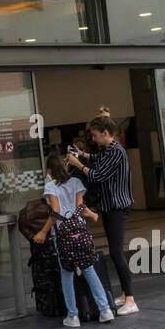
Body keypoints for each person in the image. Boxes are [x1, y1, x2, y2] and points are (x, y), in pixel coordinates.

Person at [66, 116, 138, 315]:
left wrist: (77, 163)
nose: (94, 139)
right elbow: (98, 160)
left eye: (96, 136)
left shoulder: (116, 151)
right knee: (115, 252)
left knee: (116, 252)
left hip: (117, 208)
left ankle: (131, 299)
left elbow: (97, 175)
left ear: (106, 133)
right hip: (109, 207)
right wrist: (82, 154)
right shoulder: (108, 150)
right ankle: (125, 294)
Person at [36, 153, 114, 327]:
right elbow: (80, 208)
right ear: (65, 167)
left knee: (67, 275)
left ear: (49, 170)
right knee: (89, 270)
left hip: (63, 236)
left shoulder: (50, 187)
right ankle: (105, 309)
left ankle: (73, 316)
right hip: (81, 232)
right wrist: (92, 215)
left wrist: (42, 232)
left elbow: (55, 210)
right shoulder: (77, 183)